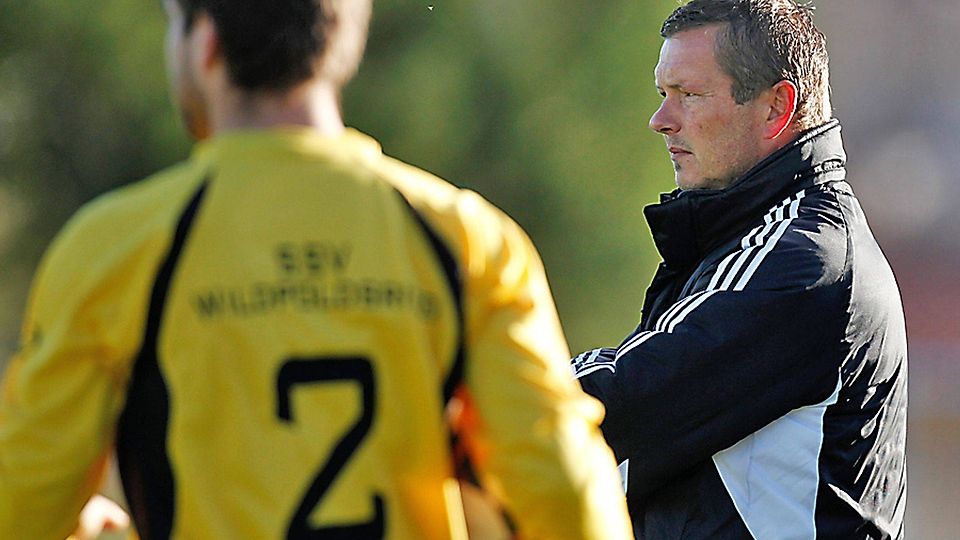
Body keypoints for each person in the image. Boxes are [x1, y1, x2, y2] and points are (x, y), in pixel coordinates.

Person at [0, 1, 633, 538]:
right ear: (342, 41)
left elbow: (21, 508)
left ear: (205, 44)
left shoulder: (113, 246)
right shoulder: (467, 238)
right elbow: (570, 501)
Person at [571, 0, 907, 538]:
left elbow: (614, 404)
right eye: (664, 94)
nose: (661, 120)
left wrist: (468, 381)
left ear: (777, 107)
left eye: (690, 95)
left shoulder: (802, 260)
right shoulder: (750, 242)